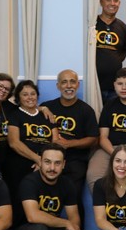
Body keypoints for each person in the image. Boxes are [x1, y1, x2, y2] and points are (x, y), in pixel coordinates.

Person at [41, 69, 98, 214]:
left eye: (72, 82)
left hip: (75, 161)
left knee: (74, 196)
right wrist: (41, 108)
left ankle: (76, 228)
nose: (68, 86)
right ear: (58, 86)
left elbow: (93, 139)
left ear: (78, 85)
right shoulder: (48, 107)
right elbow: (28, 111)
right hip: (49, 160)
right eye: (64, 82)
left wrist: (69, 144)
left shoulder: (86, 110)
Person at [86, 67, 126, 193]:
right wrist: (115, 153)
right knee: (93, 175)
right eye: (120, 84)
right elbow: (103, 137)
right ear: (114, 85)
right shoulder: (109, 105)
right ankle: (106, 203)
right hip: (110, 149)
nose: (124, 88)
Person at [4, 80, 58, 217]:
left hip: (45, 163)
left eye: (33, 94)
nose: (30, 97)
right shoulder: (14, 115)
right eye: (25, 94)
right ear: (18, 97)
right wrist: (38, 159)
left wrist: (44, 161)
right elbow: (14, 142)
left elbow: (55, 142)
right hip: (21, 161)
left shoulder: (47, 115)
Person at [94, 0, 126, 101]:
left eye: (115, 0)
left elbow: (124, 51)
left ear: (119, 3)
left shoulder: (123, 27)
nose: (112, 3)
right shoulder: (91, 24)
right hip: (94, 85)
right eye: (108, 0)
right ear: (101, 2)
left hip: (114, 87)